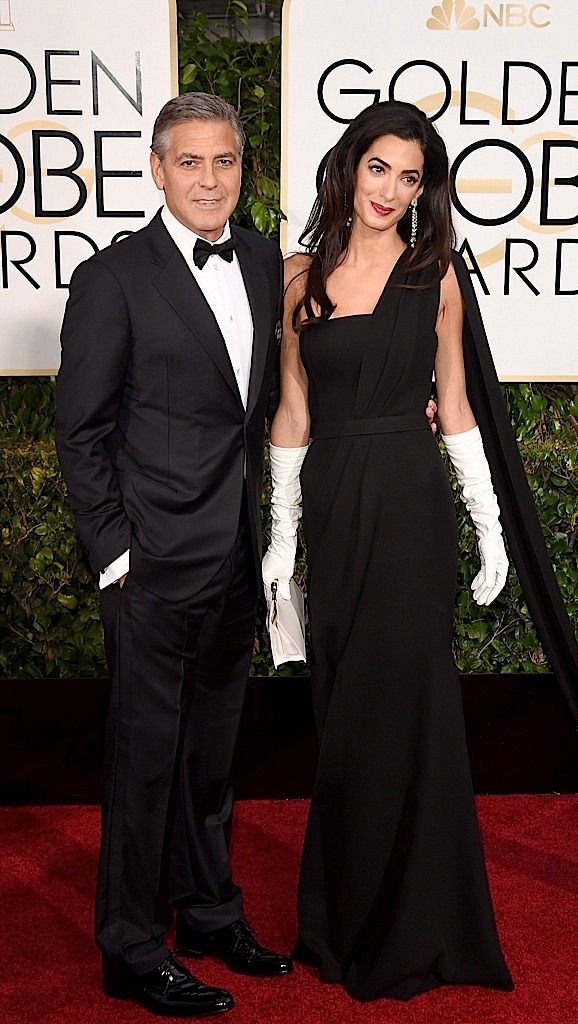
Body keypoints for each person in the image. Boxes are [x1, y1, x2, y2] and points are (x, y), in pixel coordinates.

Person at [262, 99, 515, 1001]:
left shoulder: (435, 274)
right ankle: (346, 919)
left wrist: (488, 524)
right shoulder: (299, 276)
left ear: (423, 190)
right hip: (336, 507)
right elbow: (292, 412)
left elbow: (457, 406)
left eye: (411, 177)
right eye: (380, 168)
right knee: (345, 711)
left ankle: (423, 924)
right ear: (350, 166)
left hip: (410, 508)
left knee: (412, 708)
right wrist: (281, 544)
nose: (391, 190)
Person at [55, 92, 293, 1018]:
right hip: (149, 564)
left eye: (224, 160)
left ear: (242, 169)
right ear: (157, 170)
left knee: (210, 755)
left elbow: (268, 401)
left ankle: (207, 912)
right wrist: (115, 554)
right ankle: (127, 945)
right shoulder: (111, 278)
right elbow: (81, 430)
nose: (208, 179)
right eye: (188, 161)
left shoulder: (264, 260)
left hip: (233, 554)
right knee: (144, 761)